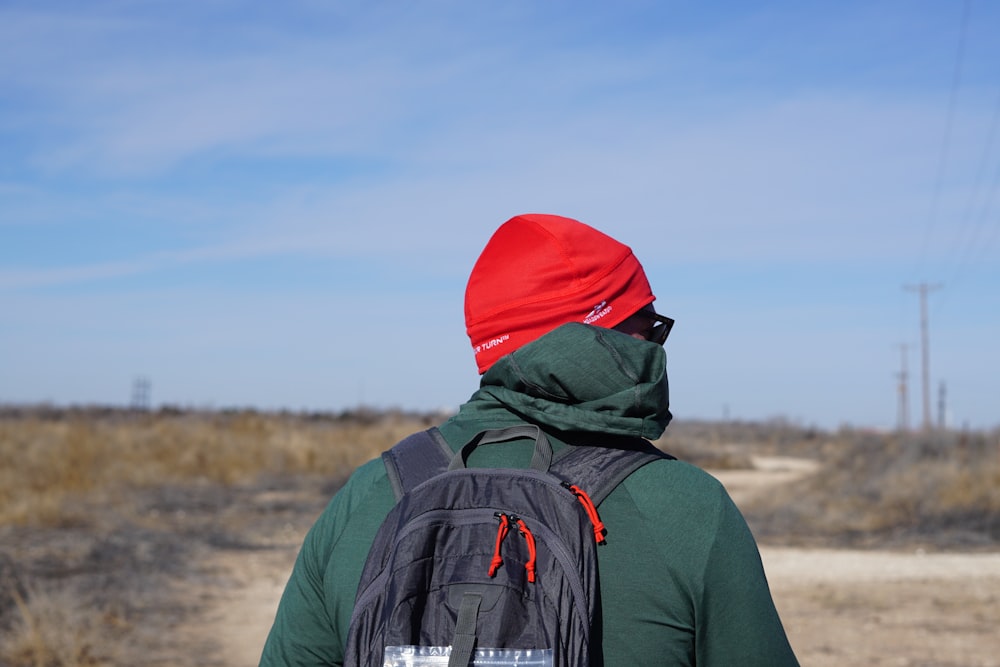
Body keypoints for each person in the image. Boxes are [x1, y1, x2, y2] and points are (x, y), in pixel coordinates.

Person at [259, 213, 799, 666]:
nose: (657, 345)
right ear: (608, 339)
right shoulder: (690, 509)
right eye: (650, 327)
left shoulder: (367, 495)